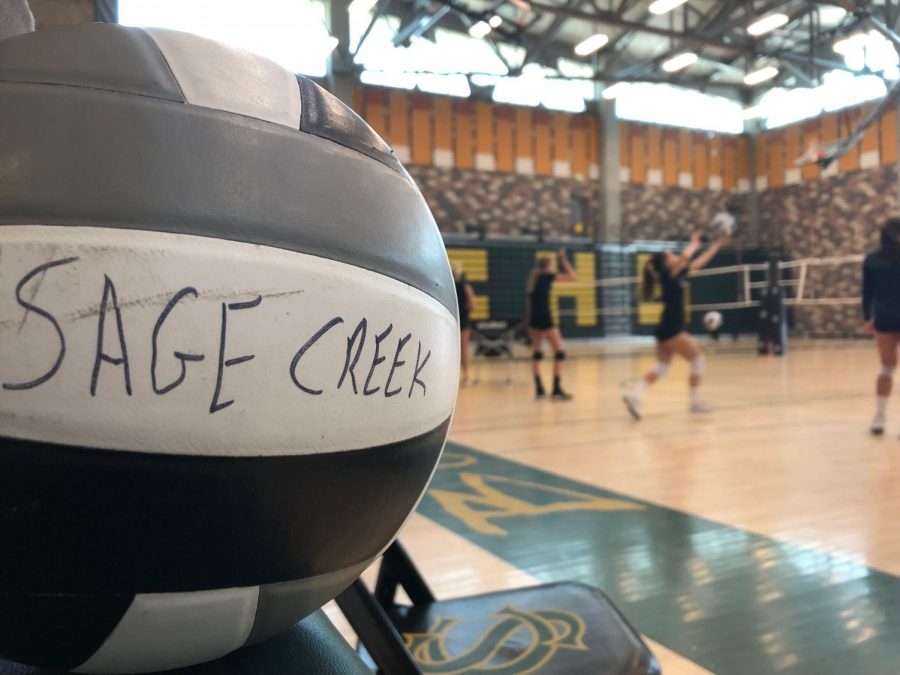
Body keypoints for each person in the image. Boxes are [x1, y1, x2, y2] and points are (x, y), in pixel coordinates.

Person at [623, 232, 727, 419]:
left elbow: (696, 264)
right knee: (697, 360)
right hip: (672, 328)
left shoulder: (677, 274)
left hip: (664, 328)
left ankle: (634, 395)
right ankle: (695, 402)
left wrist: (714, 248)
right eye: (671, 255)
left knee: (663, 367)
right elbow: (686, 257)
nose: (675, 256)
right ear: (666, 263)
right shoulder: (667, 274)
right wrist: (694, 244)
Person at [862, 218, 900, 435]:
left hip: (884, 318)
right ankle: (879, 418)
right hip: (886, 318)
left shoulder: (872, 260)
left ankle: (879, 419)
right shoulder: (872, 261)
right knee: (887, 368)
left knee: (887, 368)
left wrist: (868, 317)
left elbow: (867, 293)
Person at [526, 248, 576, 400]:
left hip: (533, 319)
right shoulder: (547, 276)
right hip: (545, 318)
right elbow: (572, 276)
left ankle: (540, 389)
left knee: (537, 352)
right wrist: (563, 260)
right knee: (559, 351)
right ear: (548, 265)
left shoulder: (533, 279)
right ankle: (556, 389)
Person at [453, 264, 477, 385]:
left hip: (454, 320)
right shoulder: (466, 287)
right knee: (463, 349)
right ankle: (466, 376)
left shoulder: (447, 288)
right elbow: (473, 305)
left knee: (457, 349)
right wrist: (466, 308)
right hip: (462, 320)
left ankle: (464, 376)